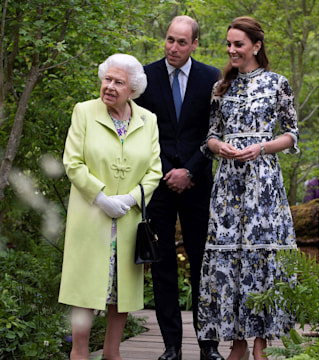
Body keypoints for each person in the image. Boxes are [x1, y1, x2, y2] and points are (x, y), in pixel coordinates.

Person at [197, 16, 299, 360]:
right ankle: (237, 345)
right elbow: (210, 135)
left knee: (260, 256)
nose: (231, 50)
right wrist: (218, 146)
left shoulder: (277, 84)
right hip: (228, 184)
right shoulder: (221, 87)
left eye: (238, 44)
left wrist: (262, 147)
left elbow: (291, 135)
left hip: (263, 182)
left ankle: (260, 346)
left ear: (256, 46)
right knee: (231, 258)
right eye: (228, 44)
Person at [58, 53, 162, 360]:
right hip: (91, 216)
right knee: (85, 291)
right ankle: (79, 353)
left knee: (121, 292)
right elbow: (73, 162)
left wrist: (131, 199)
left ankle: (112, 354)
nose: (110, 87)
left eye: (119, 82)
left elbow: (154, 170)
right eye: (107, 79)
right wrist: (101, 197)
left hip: (128, 220)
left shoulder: (148, 119)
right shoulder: (85, 112)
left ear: (133, 89)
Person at [135, 15, 222, 360]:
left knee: (204, 264)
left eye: (181, 42)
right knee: (163, 266)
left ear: (195, 44)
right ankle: (171, 346)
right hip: (158, 183)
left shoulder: (211, 78)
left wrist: (190, 170)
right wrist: (170, 170)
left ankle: (208, 345)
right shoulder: (146, 76)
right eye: (170, 39)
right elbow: (140, 132)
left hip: (198, 183)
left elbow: (215, 131)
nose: (173, 47)